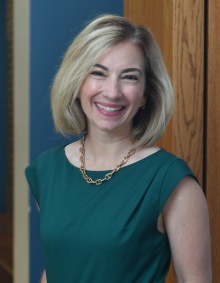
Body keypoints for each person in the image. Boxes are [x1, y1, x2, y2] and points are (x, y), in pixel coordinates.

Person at [26, 14, 212, 283]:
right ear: (78, 83)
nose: (112, 92)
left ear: (146, 94)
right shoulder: (47, 170)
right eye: (98, 73)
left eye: (129, 77)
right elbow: (56, 269)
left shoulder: (171, 181)